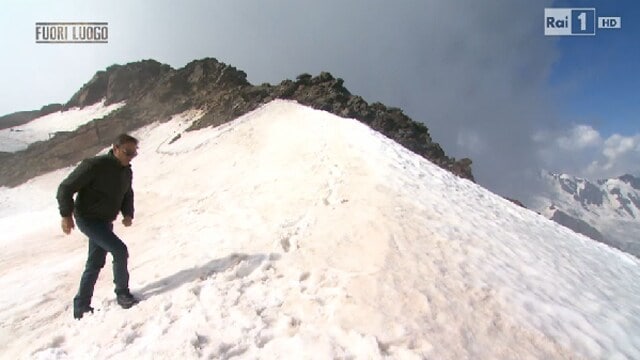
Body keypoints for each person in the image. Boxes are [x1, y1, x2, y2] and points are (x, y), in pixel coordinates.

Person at [57, 133, 140, 319]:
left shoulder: (126, 171)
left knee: (94, 263)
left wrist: (128, 213)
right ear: (115, 148)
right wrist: (66, 215)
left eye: (134, 154)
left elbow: (127, 193)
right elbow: (65, 188)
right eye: (127, 153)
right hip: (88, 219)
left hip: (104, 220)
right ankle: (123, 294)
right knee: (119, 250)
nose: (130, 158)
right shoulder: (94, 166)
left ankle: (81, 307)